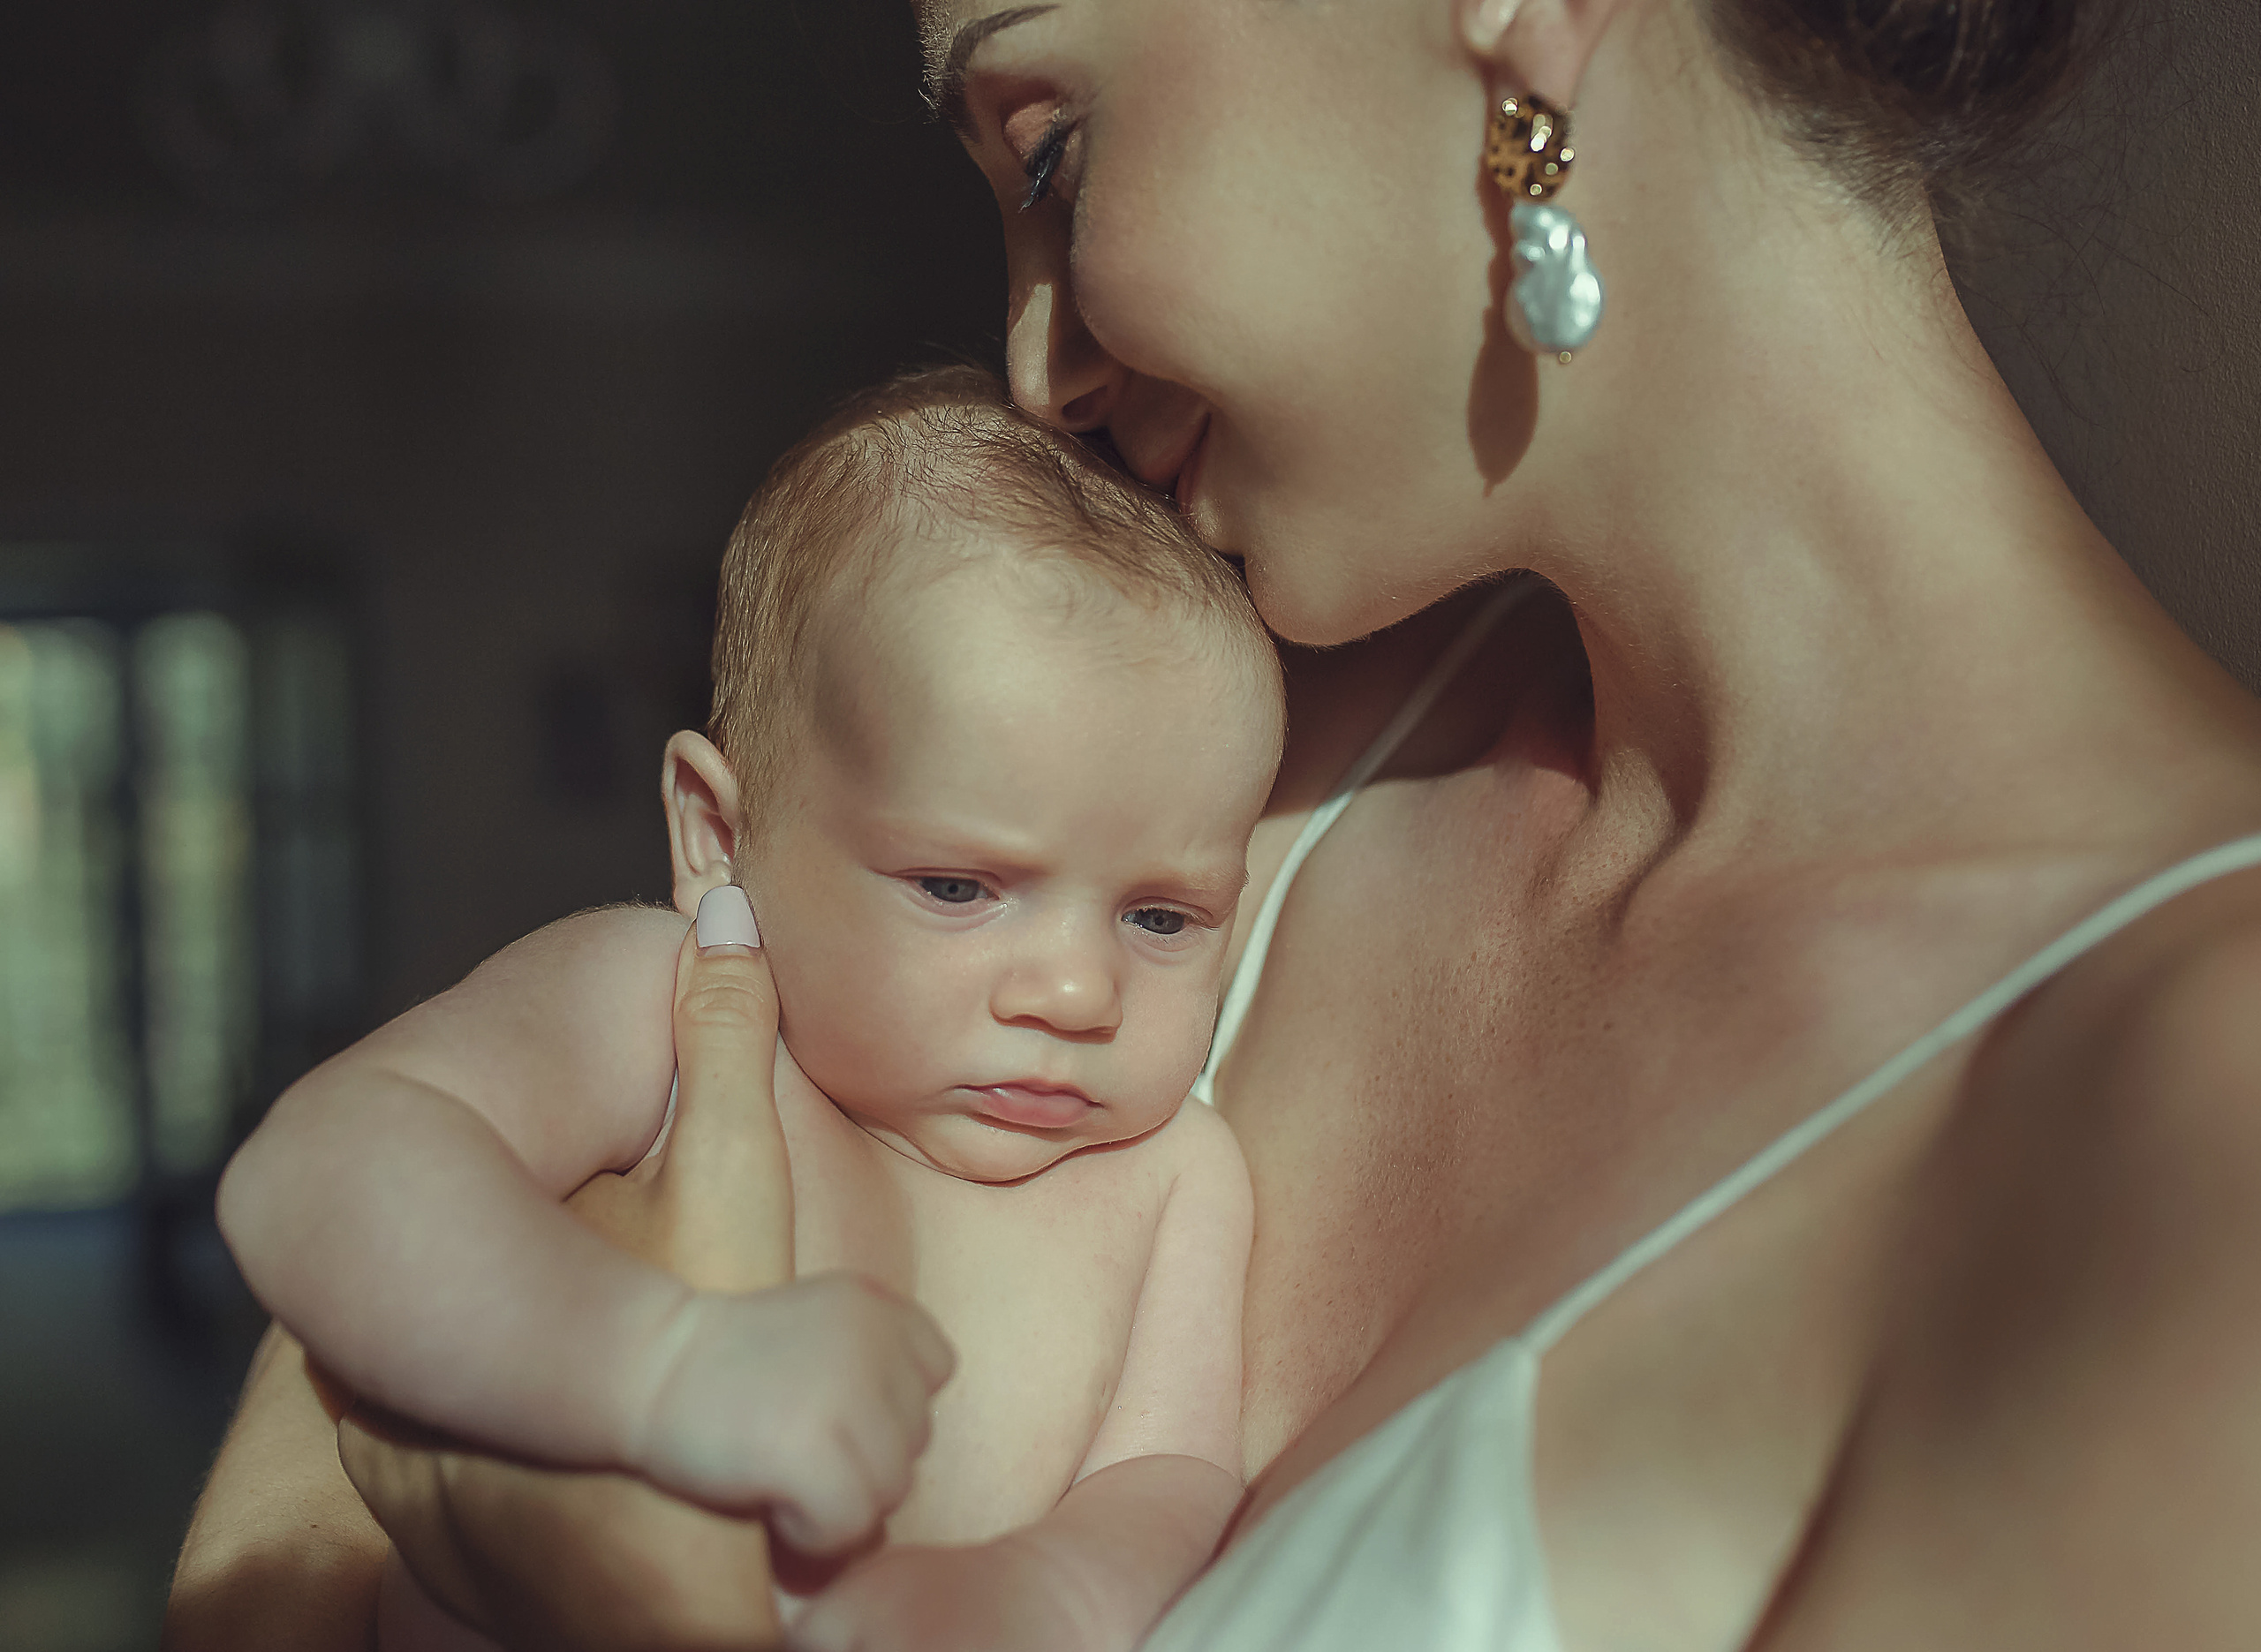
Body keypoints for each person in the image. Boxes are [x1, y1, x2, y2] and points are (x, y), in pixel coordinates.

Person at [172, 0, 2261, 1643]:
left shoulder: (2187, 1149)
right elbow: (296, 1457)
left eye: (1048, 148)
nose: (1029, 357)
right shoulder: (1237, 722)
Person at [208, 366, 1276, 1650]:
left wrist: (1048, 1590)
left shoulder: (1175, 1178)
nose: (1075, 991)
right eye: (957, 885)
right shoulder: (656, 1004)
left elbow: (1172, 1475)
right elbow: (317, 1171)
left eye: (1162, 917)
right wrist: (654, 1366)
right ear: (718, 836)